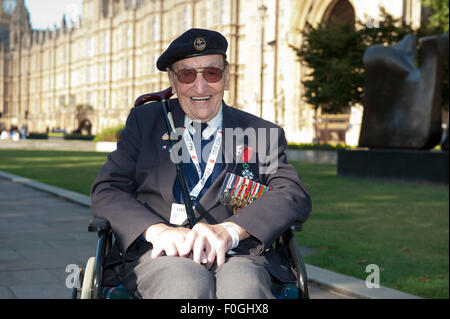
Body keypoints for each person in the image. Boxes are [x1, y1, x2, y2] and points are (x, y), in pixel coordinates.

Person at [91, 28, 312, 299]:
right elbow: (108, 189)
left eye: (211, 73)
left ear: (227, 77)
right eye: (187, 75)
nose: (200, 87)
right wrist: (156, 231)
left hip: (239, 255)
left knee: (243, 291)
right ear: (172, 80)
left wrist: (229, 231)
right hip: (161, 254)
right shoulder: (146, 122)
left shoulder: (260, 132)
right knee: (184, 284)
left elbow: (292, 194)